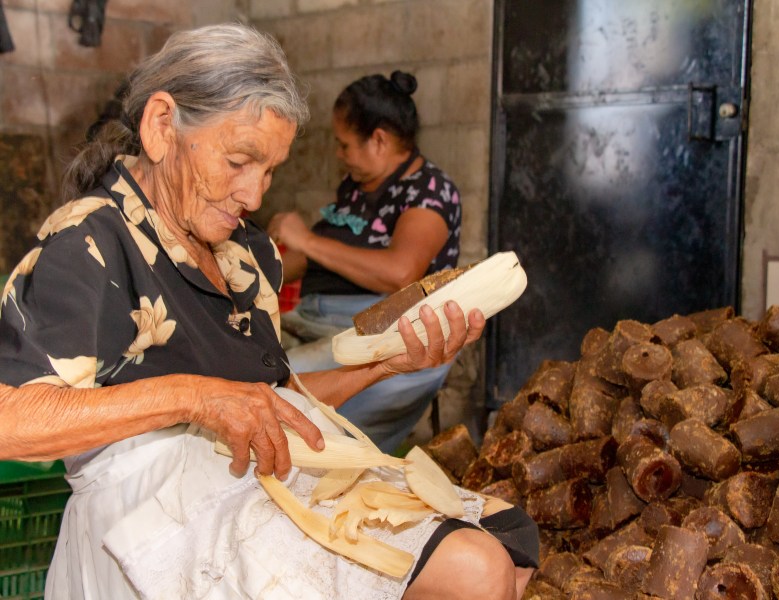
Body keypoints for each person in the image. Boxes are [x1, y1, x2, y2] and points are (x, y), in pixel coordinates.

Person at [0, 24, 537, 600]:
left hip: (243, 484)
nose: (255, 195)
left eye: (270, 169)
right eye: (238, 161)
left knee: (509, 541)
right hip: (154, 520)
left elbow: (271, 405)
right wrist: (195, 396)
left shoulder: (246, 254)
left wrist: (384, 365)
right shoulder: (92, 241)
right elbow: (10, 420)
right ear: (162, 126)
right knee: (473, 571)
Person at [269, 70, 463, 453]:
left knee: (277, 388)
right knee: (243, 361)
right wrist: (251, 275)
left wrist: (306, 239)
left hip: (381, 331)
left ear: (379, 140)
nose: (339, 155)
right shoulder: (357, 187)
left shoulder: (430, 190)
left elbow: (400, 273)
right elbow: (318, 258)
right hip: (313, 318)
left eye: (344, 145)